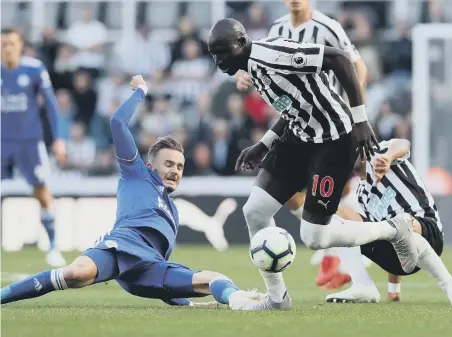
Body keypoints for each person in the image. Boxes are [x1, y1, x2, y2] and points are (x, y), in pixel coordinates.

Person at [208, 18, 420, 310]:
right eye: (214, 54)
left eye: (223, 51)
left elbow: (340, 58)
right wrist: (265, 144)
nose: (219, 61)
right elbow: (293, 105)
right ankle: (276, 299)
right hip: (299, 139)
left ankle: (394, 229)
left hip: (334, 140)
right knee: (255, 212)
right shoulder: (252, 67)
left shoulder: (273, 55)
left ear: (242, 43)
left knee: (315, 236)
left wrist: (360, 119)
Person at [1, 75, 262, 310]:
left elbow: (165, 269)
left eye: (180, 166)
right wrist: (141, 91)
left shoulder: (172, 211)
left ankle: (239, 300)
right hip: (121, 248)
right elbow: (117, 122)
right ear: (151, 165)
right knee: (74, 275)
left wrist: (186, 304)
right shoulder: (136, 172)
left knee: (215, 278)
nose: (175, 171)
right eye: (169, 164)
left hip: (149, 269)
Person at [236, 0, 370, 287]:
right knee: (295, 199)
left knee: (337, 200)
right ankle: (334, 252)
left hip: (334, 127)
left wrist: (353, 114)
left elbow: (357, 67)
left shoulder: (328, 27)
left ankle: (352, 257)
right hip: (297, 125)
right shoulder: (276, 28)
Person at [325, 139, 452, 304]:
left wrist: (388, 157)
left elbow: (403, 144)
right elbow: (387, 230)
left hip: (427, 230)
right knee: (336, 215)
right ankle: (362, 285)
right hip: (398, 258)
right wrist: (394, 290)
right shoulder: (362, 195)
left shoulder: (380, 152)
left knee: (402, 224)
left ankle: (448, 283)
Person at [1, 28, 67, 267]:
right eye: (3, 44)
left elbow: (50, 105)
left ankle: (52, 246)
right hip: (1, 142)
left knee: (41, 191)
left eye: (11, 43)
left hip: (29, 142)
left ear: (20, 46)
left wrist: (58, 138)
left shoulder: (34, 69)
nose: (6, 48)